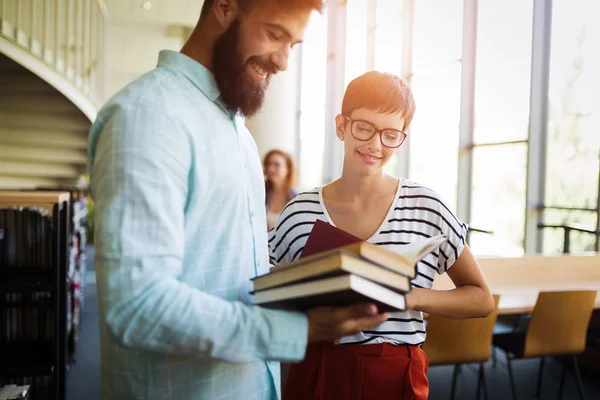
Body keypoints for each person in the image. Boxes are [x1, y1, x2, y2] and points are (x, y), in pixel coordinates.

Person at [87, 1, 389, 399]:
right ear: (226, 7)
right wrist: (301, 330)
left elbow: (227, 278)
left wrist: (306, 298)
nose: (283, 61)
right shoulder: (148, 117)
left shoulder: (237, 131)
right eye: (275, 34)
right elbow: (138, 305)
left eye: (293, 44)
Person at [268, 71, 495, 400]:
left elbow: (481, 298)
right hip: (318, 364)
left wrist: (408, 298)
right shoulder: (299, 211)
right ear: (341, 126)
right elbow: (275, 300)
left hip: (395, 370)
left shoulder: (427, 206)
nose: (375, 144)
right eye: (363, 128)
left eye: (391, 134)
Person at [264, 149, 298, 230]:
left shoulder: (296, 198)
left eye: (277, 165)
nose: (270, 169)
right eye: (268, 164)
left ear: (288, 169)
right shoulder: (261, 195)